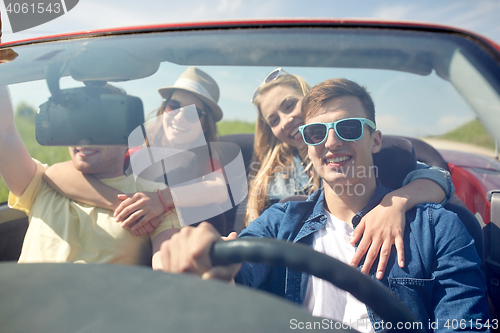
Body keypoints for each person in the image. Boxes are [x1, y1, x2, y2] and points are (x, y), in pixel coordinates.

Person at [158, 79, 491, 331]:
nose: (331, 141)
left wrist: (396, 203)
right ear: (307, 144)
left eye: (347, 128)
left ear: (375, 140)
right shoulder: (278, 221)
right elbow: (239, 275)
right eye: (316, 133)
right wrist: (209, 265)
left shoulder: (437, 228)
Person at [248, 68, 455, 278]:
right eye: (274, 120)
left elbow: (437, 178)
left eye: (290, 105)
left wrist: (393, 204)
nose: (285, 120)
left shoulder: (371, 156)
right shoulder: (274, 178)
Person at [0, 84, 179, 268]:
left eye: (99, 125)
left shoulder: (153, 200)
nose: (84, 136)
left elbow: (167, 268)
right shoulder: (40, 181)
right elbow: (3, 133)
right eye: (77, 124)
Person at [43, 67, 229, 235]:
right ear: (164, 108)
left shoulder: (206, 161)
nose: (178, 116)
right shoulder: (134, 151)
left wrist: (162, 199)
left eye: (192, 113)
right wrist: (124, 204)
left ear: (205, 125)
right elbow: (58, 174)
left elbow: (218, 189)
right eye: (174, 106)